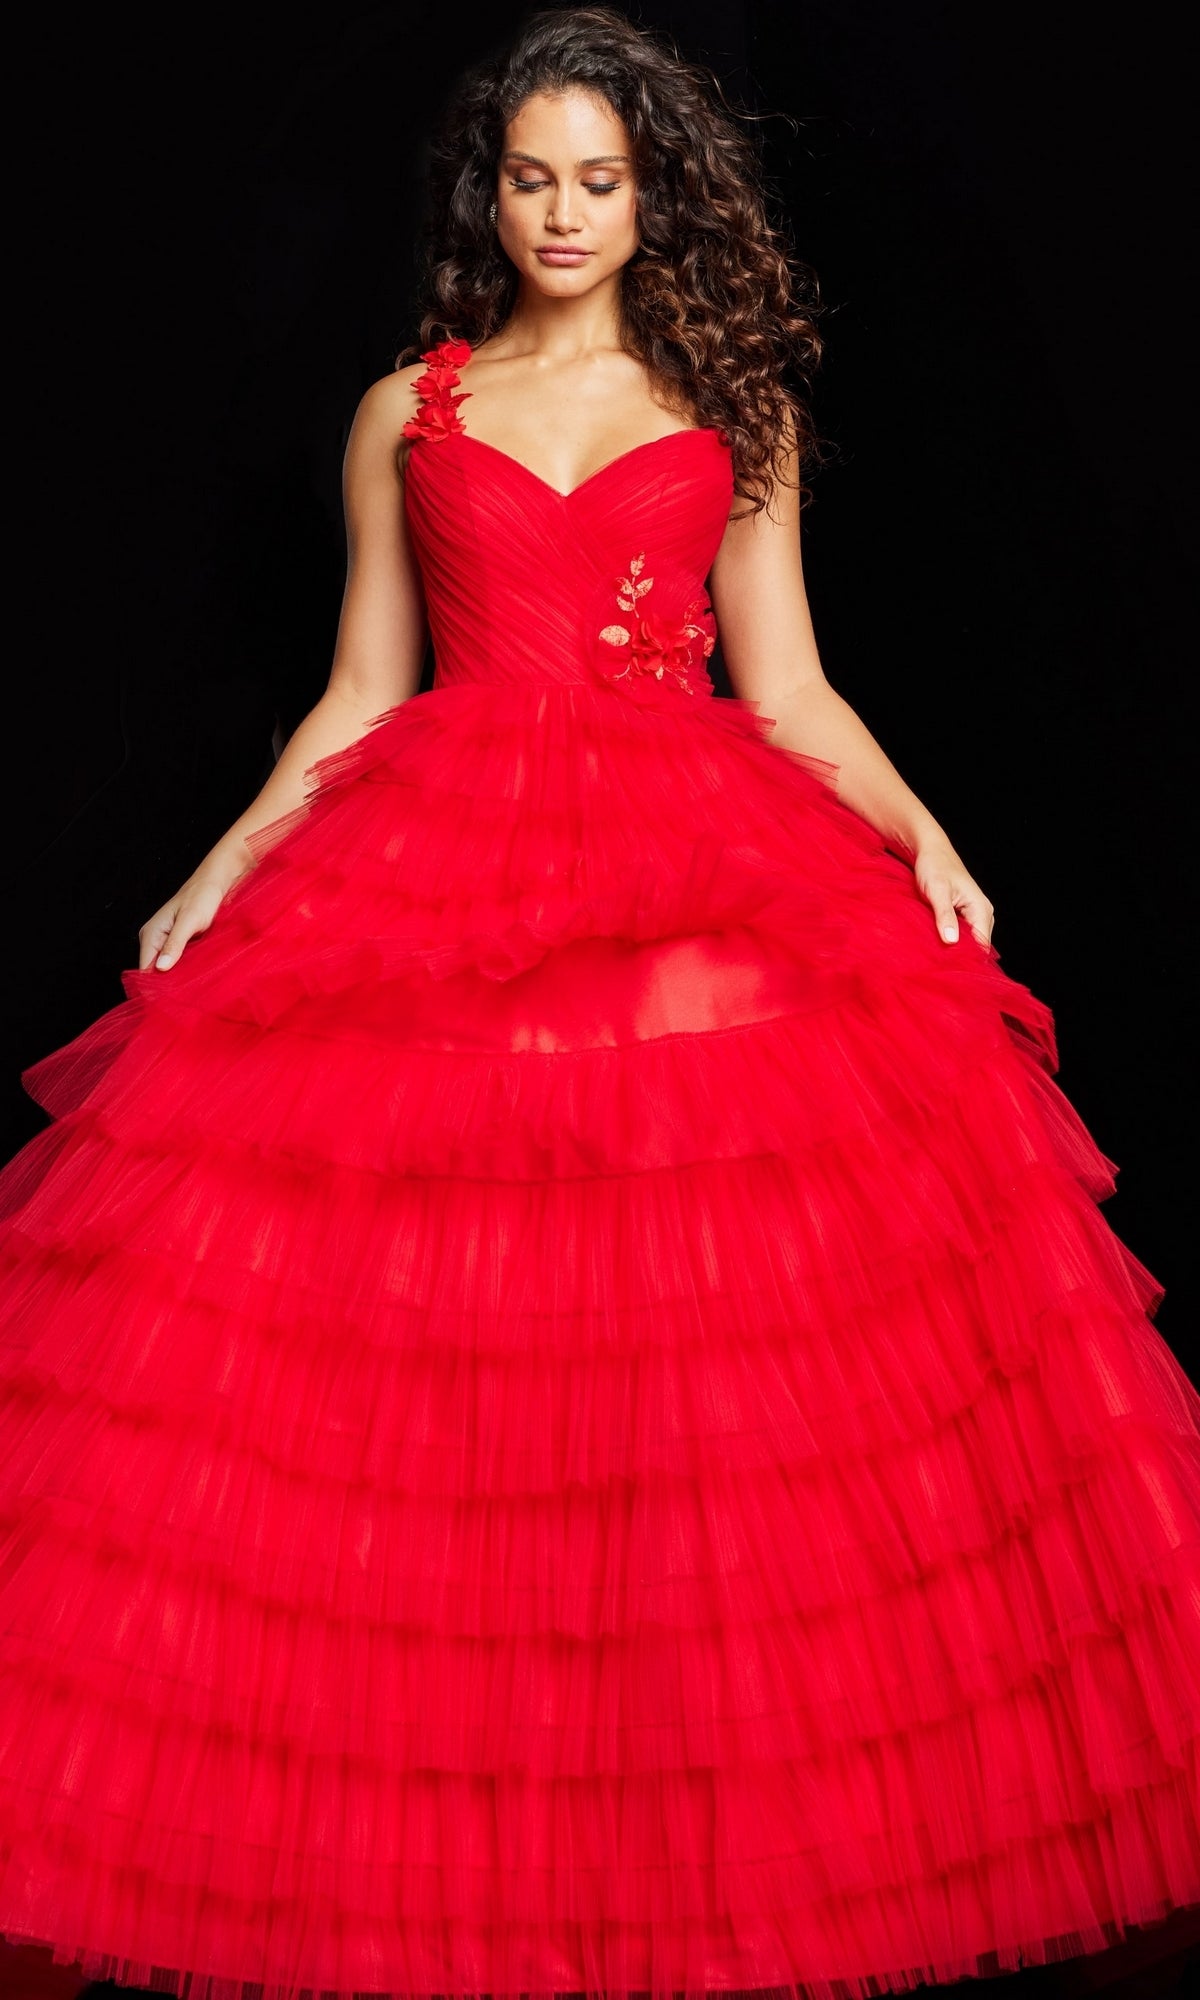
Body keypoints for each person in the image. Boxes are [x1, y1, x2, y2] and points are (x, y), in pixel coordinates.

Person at [2, 7, 1199, 1999]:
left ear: (654, 198)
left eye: (600, 180)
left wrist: (927, 837)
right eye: (531, 178)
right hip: (440, 869)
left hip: (691, 865)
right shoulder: (412, 409)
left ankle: (685, 1846)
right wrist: (222, 867)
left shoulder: (733, 403)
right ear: (488, 193)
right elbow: (364, 687)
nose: (562, 213)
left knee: (700, 1350)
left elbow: (787, 687)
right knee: (448, 1352)